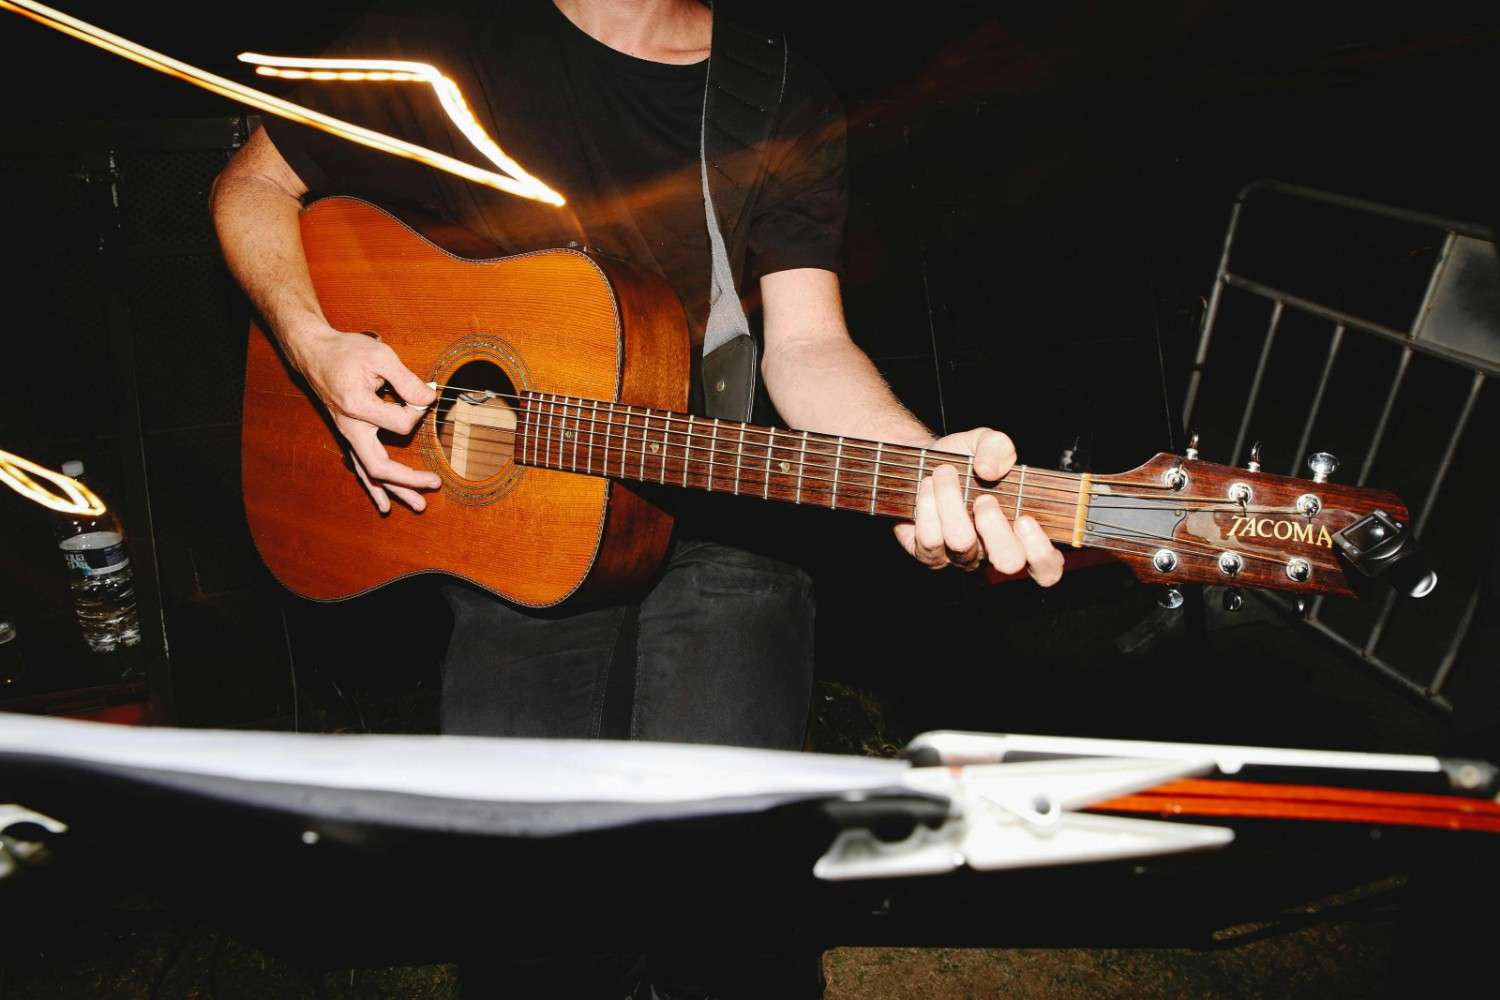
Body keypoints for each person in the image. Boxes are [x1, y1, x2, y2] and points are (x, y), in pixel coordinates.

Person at [212, 0, 1063, 993]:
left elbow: (805, 345)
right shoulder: (447, 38)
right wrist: (316, 347)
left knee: (730, 897)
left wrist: (928, 468)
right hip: (515, 533)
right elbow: (253, 183)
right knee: (523, 916)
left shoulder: (774, 88)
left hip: (722, 515)